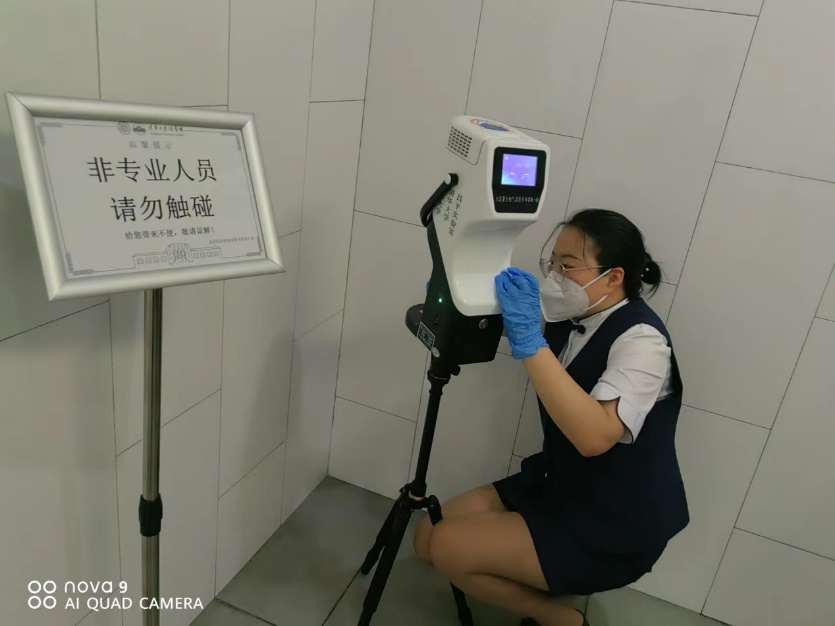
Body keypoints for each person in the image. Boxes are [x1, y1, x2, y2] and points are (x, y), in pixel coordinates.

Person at [414, 209, 689, 626]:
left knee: (447, 546)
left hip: (614, 521)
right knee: (426, 539)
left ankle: (560, 618)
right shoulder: (573, 315)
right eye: (553, 264)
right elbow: (494, 323)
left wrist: (528, 338)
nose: (555, 277)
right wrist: (456, 297)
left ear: (613, 277)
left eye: (568, 266)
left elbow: (594, 437)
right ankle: (536, 570)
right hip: (559, 484)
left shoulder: (643, 343)